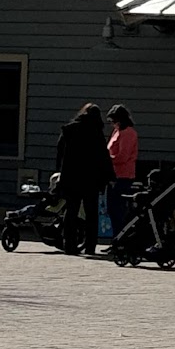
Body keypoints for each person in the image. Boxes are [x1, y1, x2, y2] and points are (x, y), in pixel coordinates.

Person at [55, 103, 114, 256]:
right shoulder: (96, 132)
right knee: (91, 213)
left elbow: (60, 151)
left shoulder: (69, 129)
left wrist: (59, 170)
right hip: (91, 179)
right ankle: (90, 246)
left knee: (71, 211)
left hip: (72, 176)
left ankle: (69, 245)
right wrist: (109, 176)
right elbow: (103, 157)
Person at [104, 104, 139, 245]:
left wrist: (106, 160)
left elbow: (123, 156)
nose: (113, 124)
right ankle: (116, 239)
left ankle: (121, 240)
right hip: (113, 175)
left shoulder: (128, 133)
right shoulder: (117, 132)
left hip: (123, 176)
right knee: (111, 209)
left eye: (114, 121)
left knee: (118, 209)